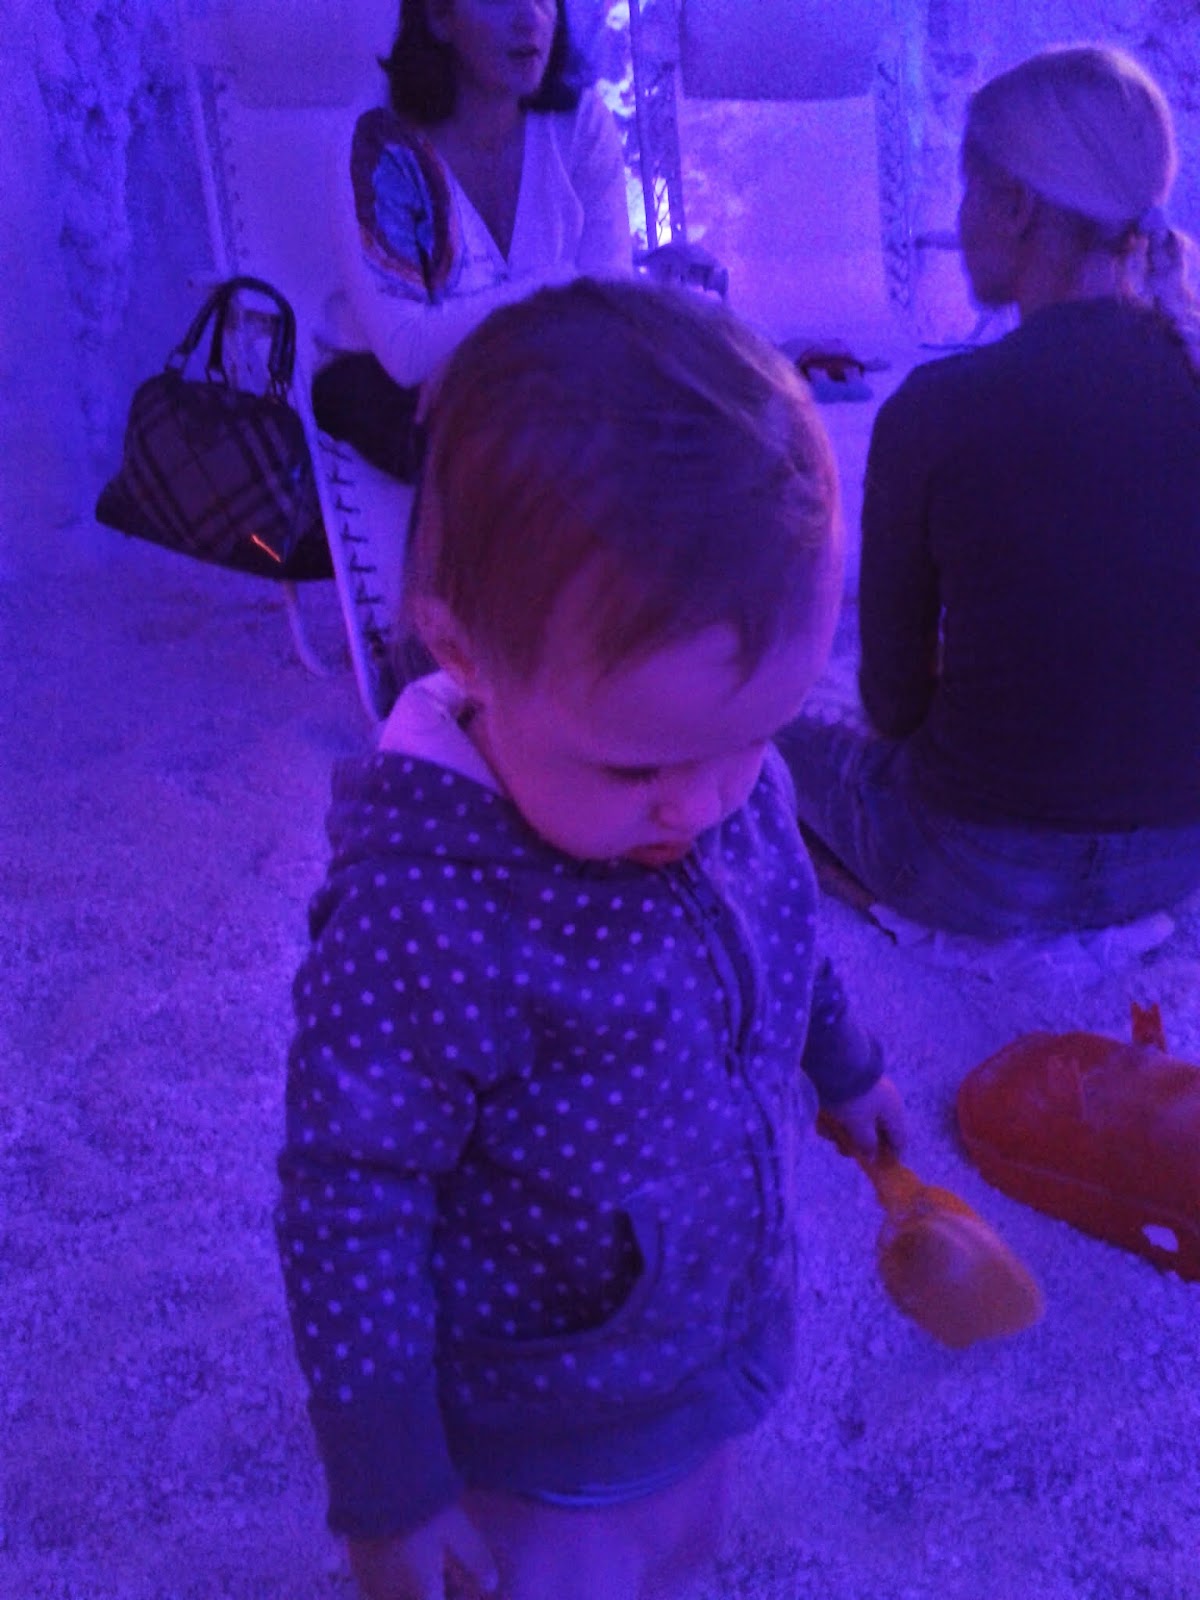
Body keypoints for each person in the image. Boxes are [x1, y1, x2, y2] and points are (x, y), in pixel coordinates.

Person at [277, 278, 907, 1600]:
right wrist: (391, 1488)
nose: (703, 802)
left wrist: (844, 1066)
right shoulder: (422, 920)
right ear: (462, 649)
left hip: (698, 1332)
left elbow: (783, 923)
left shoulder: (719, 774)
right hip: (540, 1410)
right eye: (636, 767)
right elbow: (351, 1199)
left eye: (753, 736)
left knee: (680, 1538)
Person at [778, 43, 1200, 937]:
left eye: (968, 190)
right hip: (1180, 858)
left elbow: (893, 704)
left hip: (980, 874)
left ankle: (864, 893)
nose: (962, 216)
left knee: (765, 730)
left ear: (1015, 205)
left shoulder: (940, 407)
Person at [312, 0, 632, 479]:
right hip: (385, 391)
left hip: (530, 378)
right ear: (440, 17)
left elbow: (610, 309)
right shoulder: (380, 141)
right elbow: (408, 353)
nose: (531, 17)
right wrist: (559, 285)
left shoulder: (580, 123)